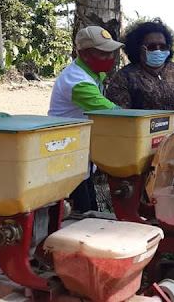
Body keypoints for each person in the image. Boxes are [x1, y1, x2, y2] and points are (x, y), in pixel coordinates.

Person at [106, 20, 174, 186]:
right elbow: (120, 120)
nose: (158, 50)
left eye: (163, 46)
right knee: (147, 204)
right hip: (143, 157)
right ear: (139, 48)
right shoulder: (125, 78)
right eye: (152, 46)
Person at [48, 25, 123, 213]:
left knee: (87, 207)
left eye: (111, 53)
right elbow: (113, 112)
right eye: (103, 54)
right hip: (67, 157)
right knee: (78, 214)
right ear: (85, 54)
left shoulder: (93, 73)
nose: (110, 59)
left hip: (80, 155)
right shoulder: (77, 81)